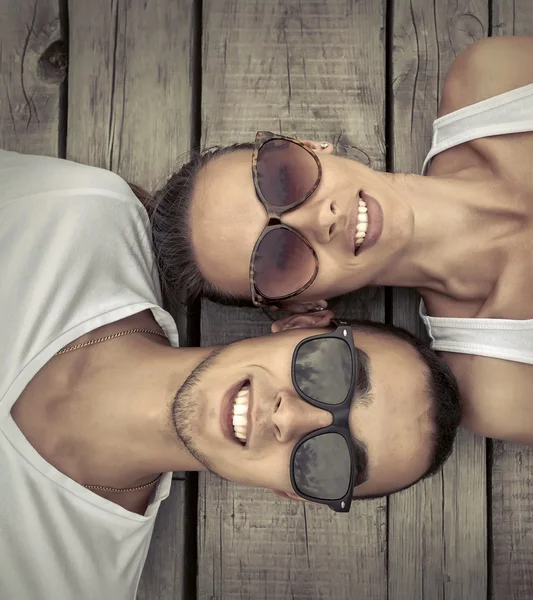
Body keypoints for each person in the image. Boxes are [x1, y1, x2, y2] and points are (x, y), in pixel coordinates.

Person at [0, 149, 460, 599]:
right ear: (301, 325)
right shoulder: (73, 216)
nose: (291, 419)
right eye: (330, 371)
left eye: (331, 463)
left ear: (296, 494)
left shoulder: (72, 586)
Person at [151, 34, 533, 450]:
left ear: (306, 145)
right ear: (305, 308)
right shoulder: (506, 384)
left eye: (283, 177)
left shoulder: (501, 77)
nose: (319, 218)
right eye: (279, 257)